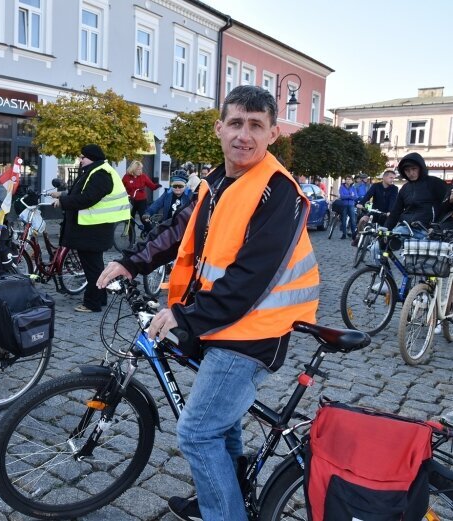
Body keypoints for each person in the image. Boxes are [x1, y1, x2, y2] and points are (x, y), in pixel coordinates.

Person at [96, 85, 319, 520]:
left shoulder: (279, 191)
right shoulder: (216, 182)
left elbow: (250, 278)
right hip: (225, 325)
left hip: (255, 333)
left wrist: (185, 316)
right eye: (236, 123)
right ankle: (223, 497)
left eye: (256, 126)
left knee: (197, 433)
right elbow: (179, 230)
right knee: (224, 426)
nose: (244, 135)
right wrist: (132, 263)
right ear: (219, 128)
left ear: (273, 134)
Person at [51, 144, 130, 312]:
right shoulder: (95, 171)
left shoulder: (100, 174)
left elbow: (88, 198)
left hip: (93, 230)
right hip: (92, 229)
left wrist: (63, 202)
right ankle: (100, 298)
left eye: (82, 157)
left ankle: (91, 303)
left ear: (91, 158)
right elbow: (83, 194)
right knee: (94, 266)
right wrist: (63, 194)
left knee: (92, 268)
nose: (80, 160)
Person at [384, 152, 449, 234]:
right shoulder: (405, 188)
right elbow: (395, 212)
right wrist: (385, 229)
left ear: (421, 168)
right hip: (404, 228)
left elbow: (447, 205)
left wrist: (440, 228)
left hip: (427, 230)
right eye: (407, 170)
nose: (411, 173)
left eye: (414, 169)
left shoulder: (435, 183)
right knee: (376, 246)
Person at [122, 160, 160, 243]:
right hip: (130, 201)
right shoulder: (126, 177)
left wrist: (157, 185)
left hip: (141, 201)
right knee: (130, 220)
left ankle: (151, 235)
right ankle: (131, 241)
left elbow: (152, 186)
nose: (140, 171)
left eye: (141, 169)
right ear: (133, 169)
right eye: (138, 169)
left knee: (143, 218)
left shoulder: (143, 177)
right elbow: (121, 188)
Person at [354, 169, 398, 242]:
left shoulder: (394, 189)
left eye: (393, 178)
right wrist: (361, 203)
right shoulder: (376, 186)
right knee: (362, 220)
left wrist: (390, 211)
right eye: (391, 178)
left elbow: (393, 201)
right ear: (384, 177)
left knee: (386, 235)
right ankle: (359, 236)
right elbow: (368, 195)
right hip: (375, 212)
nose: (392, 180)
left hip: (386, 214)